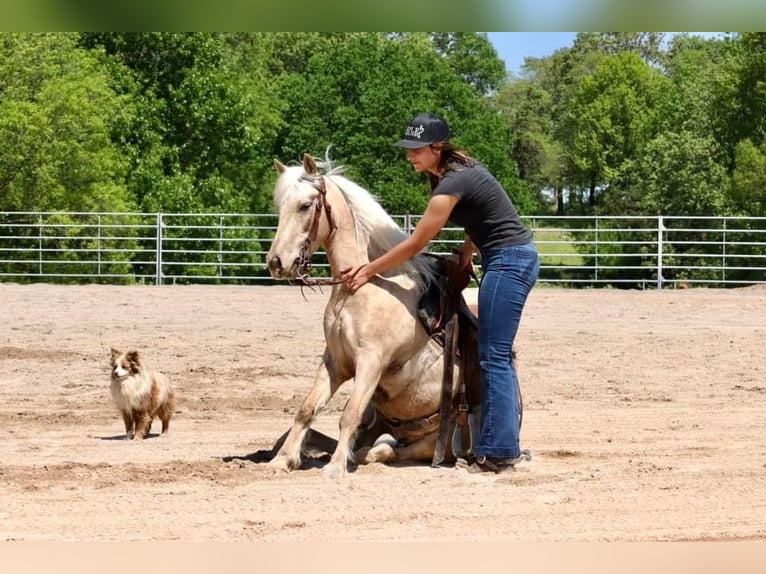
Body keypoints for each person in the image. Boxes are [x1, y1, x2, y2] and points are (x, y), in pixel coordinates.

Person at [340, 112, 540, 474]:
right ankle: (501, 444)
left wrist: (369, 269)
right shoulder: (454, 175)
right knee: (493, 352)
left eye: (417, 149)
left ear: (437, 148)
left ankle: (500, 452)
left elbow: (417, 242)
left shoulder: (450, 185)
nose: (410, 156)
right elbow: (484, 213)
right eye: (408, 149)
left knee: (493, 354)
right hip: (509, 257)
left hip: (509, 261)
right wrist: (468, 250)